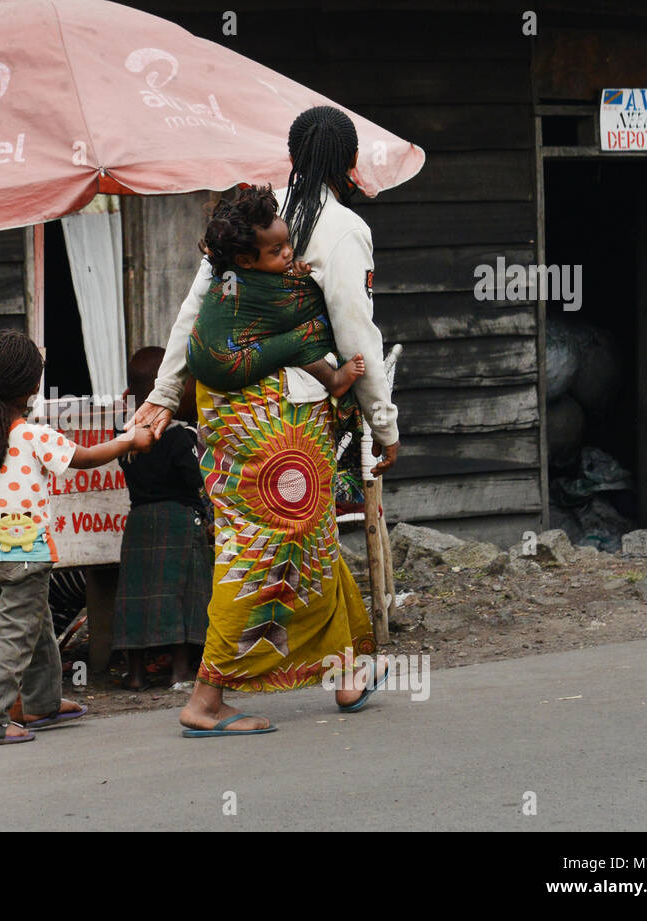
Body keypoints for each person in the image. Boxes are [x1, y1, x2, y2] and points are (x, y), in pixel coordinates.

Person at [127, 105, 398, 735]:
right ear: (348, 165)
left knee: (304, 535)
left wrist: (168, 393)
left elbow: (197, 309)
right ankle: (206, 698)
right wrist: (383, 426)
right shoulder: (341, 227)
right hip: (285, 412)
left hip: (226, 410)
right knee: (262, 549)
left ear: (291, 152)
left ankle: (349, 668)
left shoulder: (247, 217)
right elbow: (357, 333)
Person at [0, 329, 154, 744]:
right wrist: (129, 440)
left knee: (35, 626)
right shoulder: (34, 436)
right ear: (35, 385)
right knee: (15, 635)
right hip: (25, 556)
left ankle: (42, 703)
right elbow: (85, 459)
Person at [188, 184, 365, 396]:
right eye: (277, 250)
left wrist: (293, 275)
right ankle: (333, 379)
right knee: (306, 334)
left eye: (288, 242)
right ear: (244, 261)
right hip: (223, 365)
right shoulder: (255, 288)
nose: (289, 252)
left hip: (197, 356)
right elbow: (293, 309)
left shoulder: (227, 273)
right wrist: (303, 280)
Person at [113, 347, 210, 691]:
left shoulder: (124, 438)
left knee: (135, 596)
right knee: (182, 594)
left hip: (139, 521)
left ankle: (136, 673)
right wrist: (207, 512)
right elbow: (196, 482)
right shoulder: (179, 438)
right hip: (180, 520)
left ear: (129, 394)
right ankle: (180, 671)